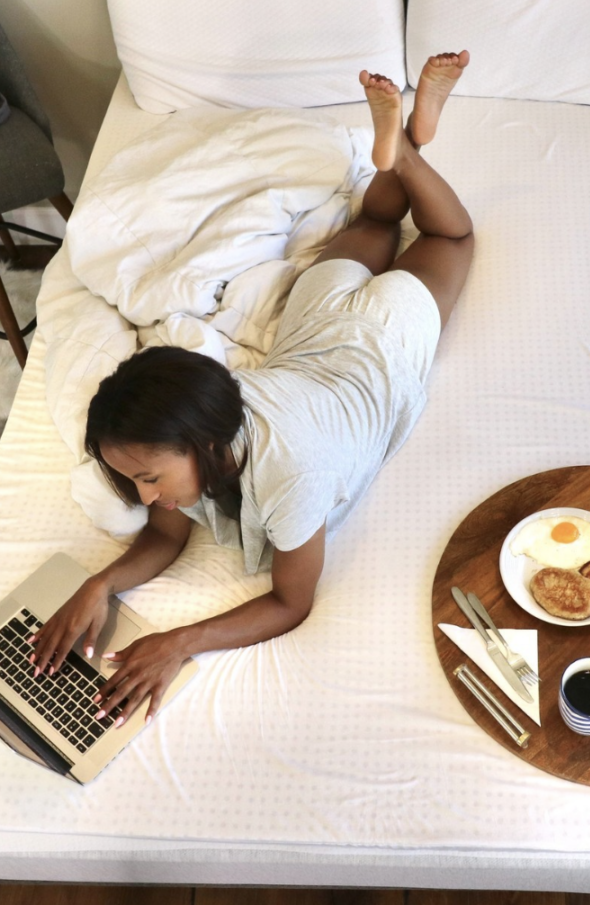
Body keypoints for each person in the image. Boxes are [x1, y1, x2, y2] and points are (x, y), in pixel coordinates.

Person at [29, 51, 474, 727]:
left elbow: (292, 602)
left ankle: (405, 150)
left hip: (381, 340)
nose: (149, 499)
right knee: (381, 224)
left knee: (452, 235)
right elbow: (165, 534)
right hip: (314, 326)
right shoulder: (195, 431)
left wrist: (181, 642)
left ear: (200, 440)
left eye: (148, 478)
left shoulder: (291, 475)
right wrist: (100, 584)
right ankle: (403, 140)